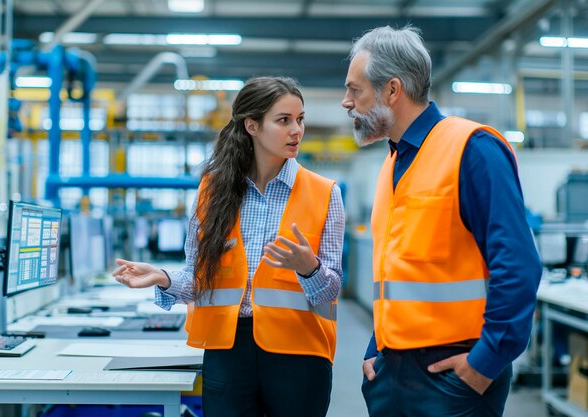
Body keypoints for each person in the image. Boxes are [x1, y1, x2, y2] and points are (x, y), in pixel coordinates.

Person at [113, 76, 345, 417]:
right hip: (228, 350)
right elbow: (200, 280)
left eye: (300, 119)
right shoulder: (212, 191)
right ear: (252, 125)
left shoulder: (325, 193)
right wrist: (162, 277)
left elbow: (331, 291)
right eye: (284, 120)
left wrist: (308, 267)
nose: (297, 130)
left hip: (300, 355)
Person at [341, 26, 542, 417]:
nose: (346, 102)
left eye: (355, 90)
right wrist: (375, 350)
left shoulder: (473, 149)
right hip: (391, 373)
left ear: (392, 90)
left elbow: (518, 267)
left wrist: (483, 365)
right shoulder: (393, 163)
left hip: (454, 378)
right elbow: (397, 273)